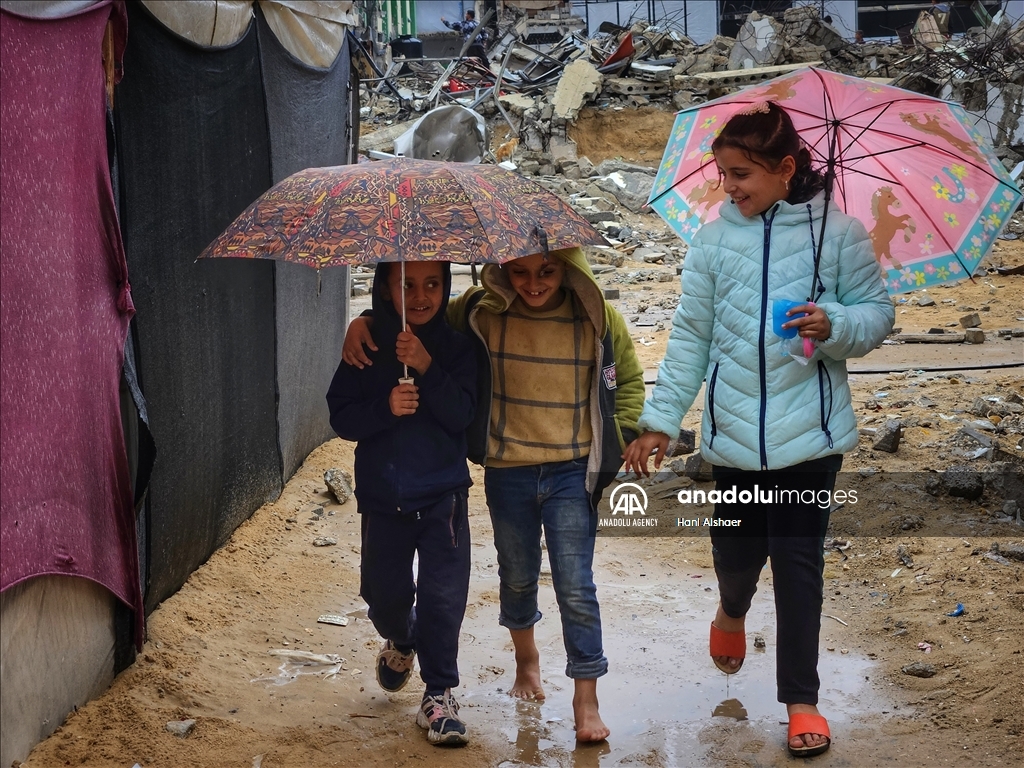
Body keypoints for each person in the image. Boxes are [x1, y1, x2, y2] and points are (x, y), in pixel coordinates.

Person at [623, 101, 894, 759]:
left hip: (813, 439)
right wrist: (662, 421)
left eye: (741, 173)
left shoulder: (840, 234)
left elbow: (877, 315)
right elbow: (691, 334)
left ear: (785, 168)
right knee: (737, 559)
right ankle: (731, 611)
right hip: (736, 439)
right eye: (722, 174)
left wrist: (835, 324)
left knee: (799, 568)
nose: (730, 187)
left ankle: (802, 702)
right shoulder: (715, 240)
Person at [344, 247, 645, 743]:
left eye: (547, 271)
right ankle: (525, 662)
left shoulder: (597, 315)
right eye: (520, 272)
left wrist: (626, 431)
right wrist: (365, 320)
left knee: (575, 585)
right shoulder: (481, 311)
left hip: (571, 470)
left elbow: (627, 380)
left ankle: (584, 697)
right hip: (509, 471)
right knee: (518, 577)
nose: (533, 283)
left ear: (568, 270)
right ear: (502, 271)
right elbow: (419, 313)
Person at [326, 260, 477, 746]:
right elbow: (341, 415)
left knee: (443, 600)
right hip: (383, 498)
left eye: (433, 283)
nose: (421, 294)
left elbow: (465, 417)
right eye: (407, 283)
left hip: (443, 500)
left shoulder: (457, 347)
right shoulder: (366, 343)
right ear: (386, 288)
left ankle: (439, 695)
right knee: (383, 597)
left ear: (447, 286)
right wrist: (385, 408)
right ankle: (402, 636)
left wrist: (429, 368)